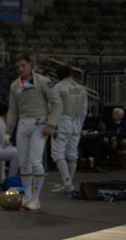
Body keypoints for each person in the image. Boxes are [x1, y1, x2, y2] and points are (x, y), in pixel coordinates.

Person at [5, 52, 62, 211]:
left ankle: (36, 198)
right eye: (17, 67)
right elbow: (13, 110)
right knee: (23, 162)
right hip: (23, 124)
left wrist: (51, 124)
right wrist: (8, 131)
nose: (21, 69)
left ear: (30, 64)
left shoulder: (44, 82)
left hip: (39, 123)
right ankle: (28, 196)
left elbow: (57, 103)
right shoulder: (15, 85)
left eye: (23, 65)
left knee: (35, 161)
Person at [51, 65, 88, 194]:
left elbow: (52, 107)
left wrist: (49, 123)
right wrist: (79, 125)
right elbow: (84, 110)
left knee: (57, 152)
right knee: (72, 153)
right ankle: (68, 183)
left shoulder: (58, 87)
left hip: (61, 121)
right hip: (76, 122)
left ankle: (67, 183)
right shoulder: (82, 89)